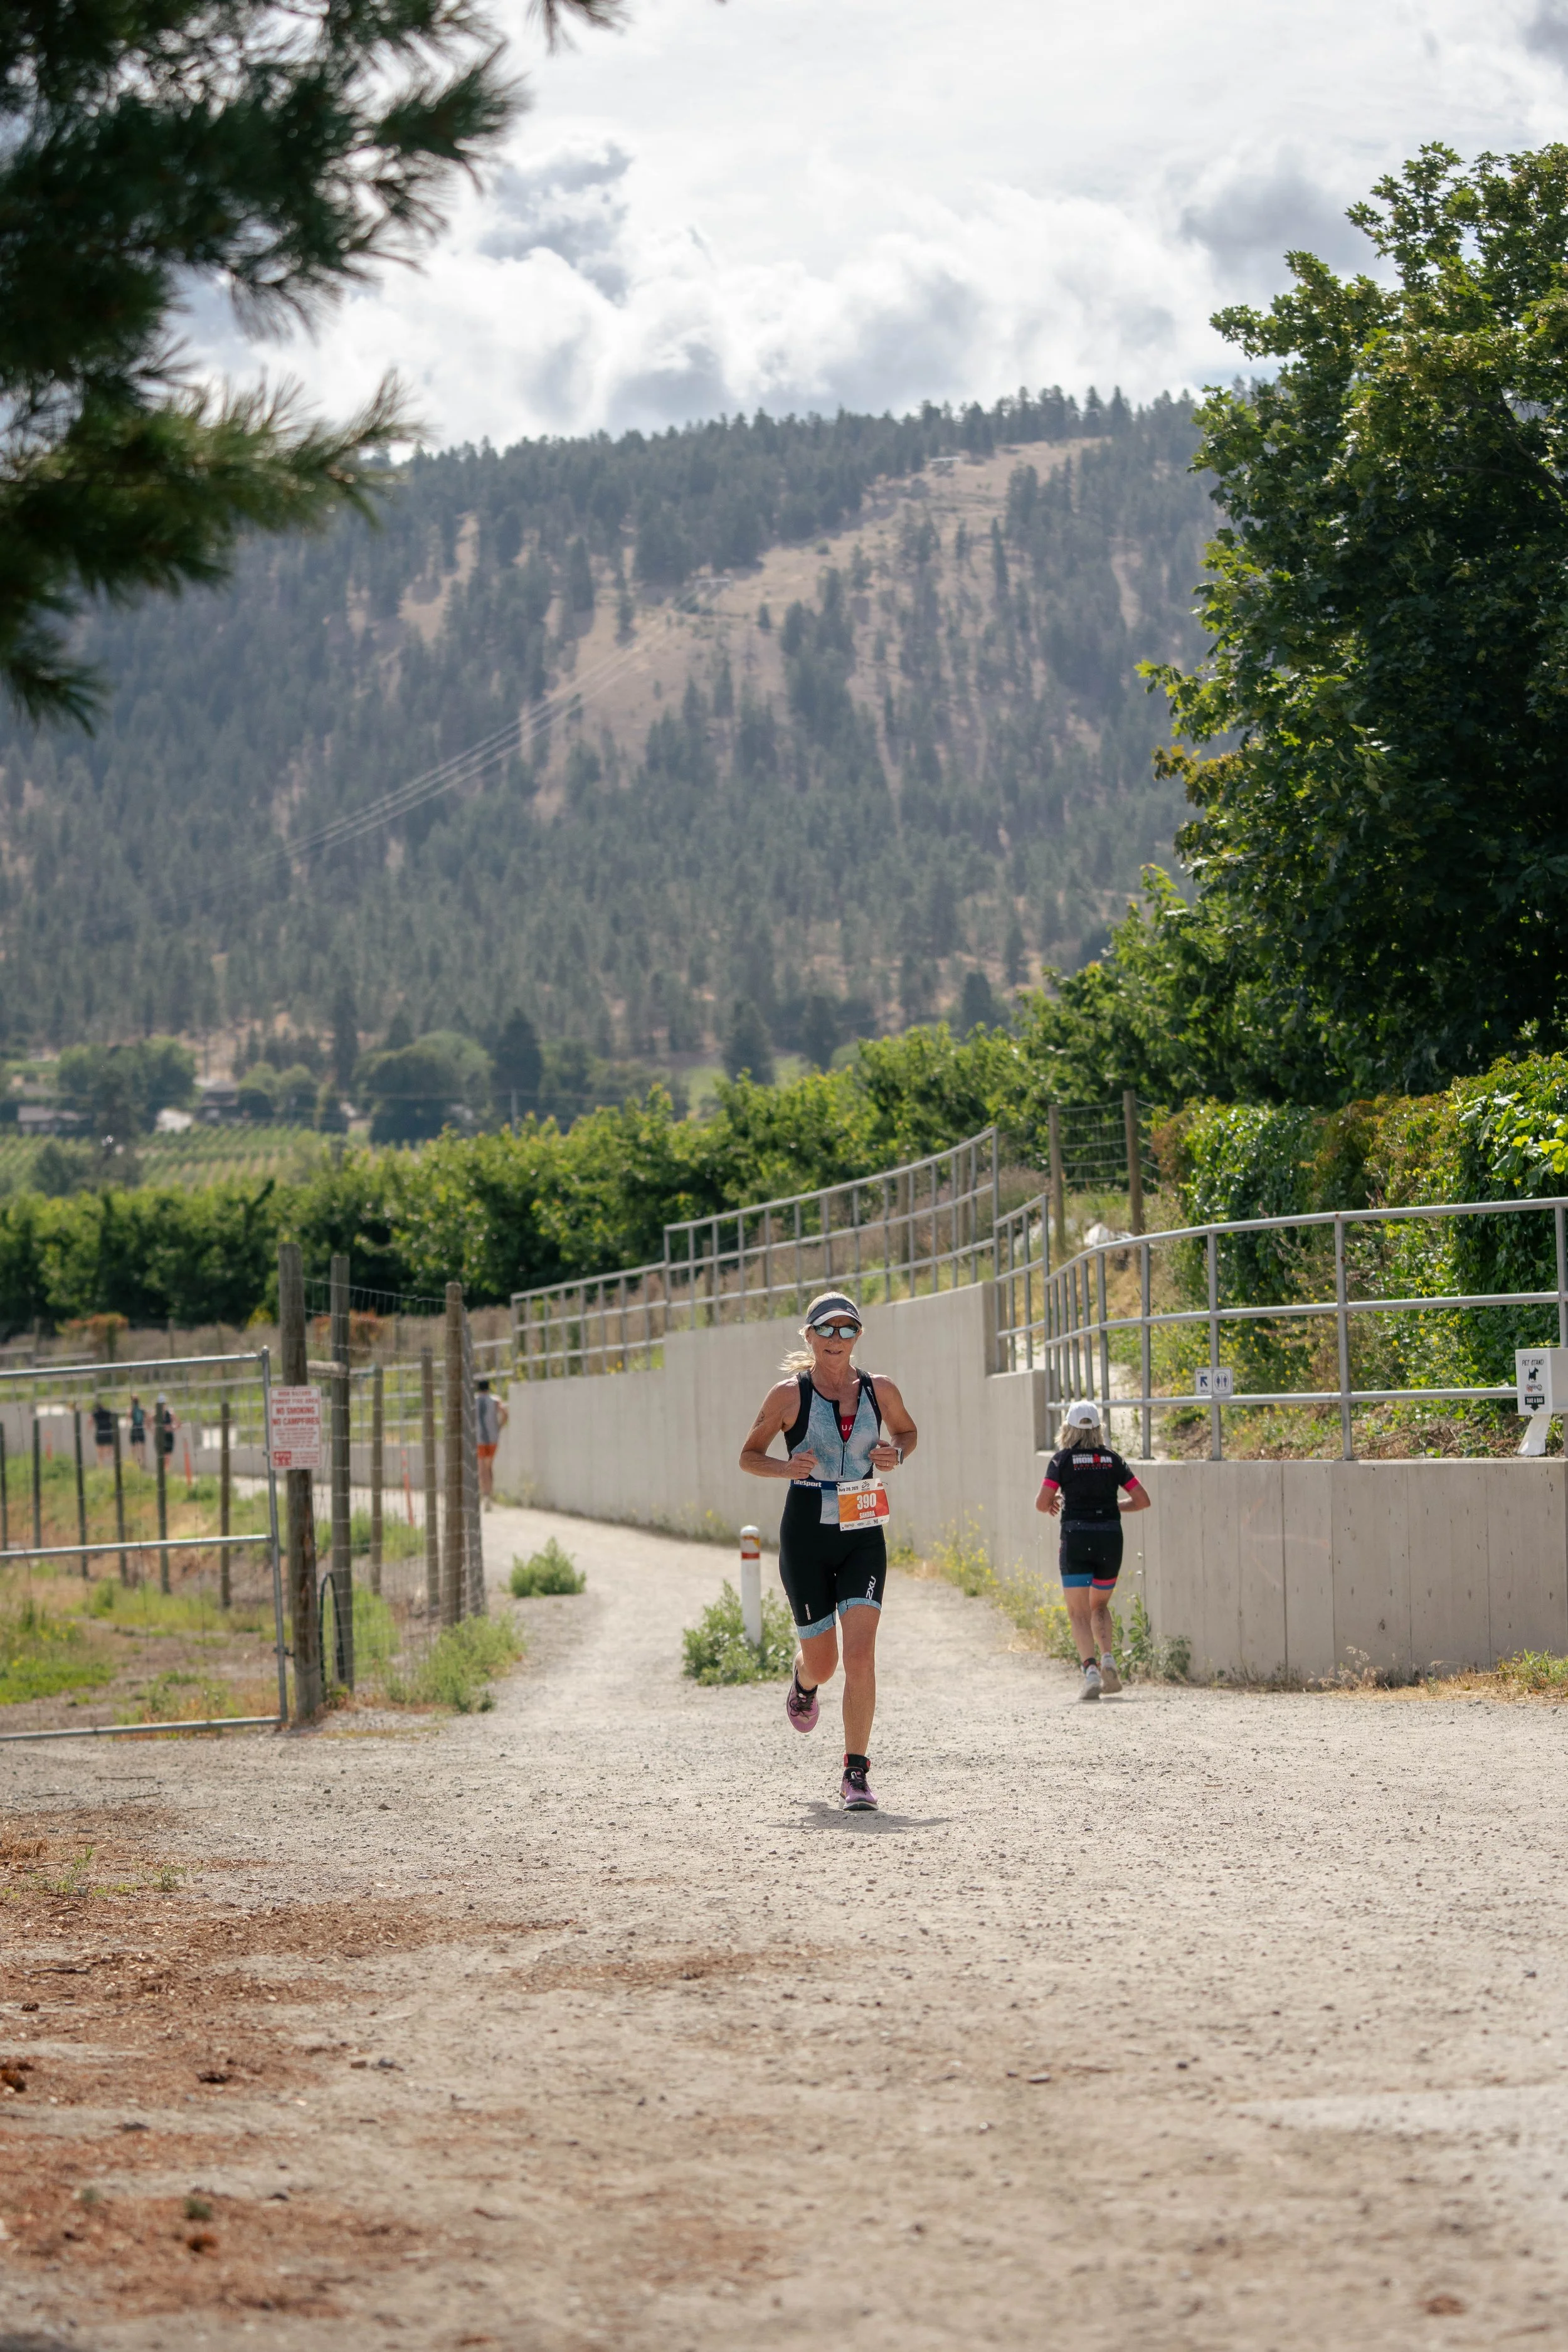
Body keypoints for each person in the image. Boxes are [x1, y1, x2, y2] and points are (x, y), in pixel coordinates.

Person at [739, 1291, 917, 1811]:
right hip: (807, 1531)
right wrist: (784, 1468)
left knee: (861, 1655)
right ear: (810, 1337)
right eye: (828, 1330)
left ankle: (856, 1773)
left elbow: (907, 1433)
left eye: (848, 1329)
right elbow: (749, 1456)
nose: (838, 1339)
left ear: (858, 1336)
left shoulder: (879, 1390)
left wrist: (896, 1454)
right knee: (826, 1661)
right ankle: (803, 1680)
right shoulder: (788, 1396)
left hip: (863, 1527)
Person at [1036, 1399, 1151, 1700]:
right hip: (1110, 1538)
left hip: (1075, 1537)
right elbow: (1142, 1500)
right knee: (1099, 1607)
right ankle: (1109, 1658)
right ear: (1099, 1429)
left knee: (1078, 1612)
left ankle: (1090, 1673)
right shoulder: (1113, 1459)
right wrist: (1112, 1507)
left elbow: (1041, 1503)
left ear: (1067, 1429)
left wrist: (1055, 1502)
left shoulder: (1062, 1460)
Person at [474, 1377, 507, 1505]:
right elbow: (505, 1413)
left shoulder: (474, 1401)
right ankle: (489, 1494)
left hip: (479, 1439)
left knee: (482, 1468)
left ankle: (486, 1495)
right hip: (493, 1439)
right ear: (488, 1388)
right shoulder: (495, 1401)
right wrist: (499, 1426)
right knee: (489, 1467)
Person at [91, 1398, 115, 1468]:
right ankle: (114, 1467)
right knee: (111, 1453)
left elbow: (90, 1421)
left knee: (100, 1454)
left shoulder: (95, 1414)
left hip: (100, 1434)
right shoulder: (108, 1412)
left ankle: (100, 1468)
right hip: (108, 1433)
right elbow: (114, 1417)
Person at [127, 1394, 146, 1467]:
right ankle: (138, 1463)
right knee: (139, 1447)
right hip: (139, 1428)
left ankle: (140, 1463)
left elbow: (128, 1418)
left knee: (137, 1448)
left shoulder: (133, 1409)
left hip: (136, 1428)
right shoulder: (141, 1408)